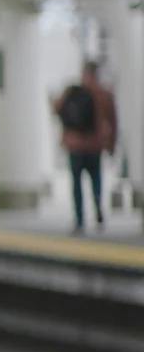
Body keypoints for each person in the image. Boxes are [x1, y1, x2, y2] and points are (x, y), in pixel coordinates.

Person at [55, 58, 119, 235]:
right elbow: (113, 122)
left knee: (76, 184)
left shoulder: (72, 91)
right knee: (96, 180)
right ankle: (98, 208)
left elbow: (57, 109)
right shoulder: (104, 94)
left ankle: (79, 220)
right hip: (94, 145)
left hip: (75, 144)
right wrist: (111, 144)